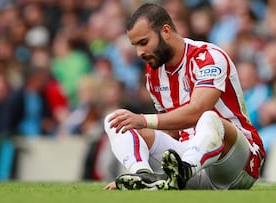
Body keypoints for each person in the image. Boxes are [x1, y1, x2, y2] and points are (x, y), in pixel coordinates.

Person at [103, 3, 265, 190]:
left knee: (209, 118)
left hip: (235, 164)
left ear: (165, 31)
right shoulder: (153, 74)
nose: (139, 53)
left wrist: (142, 120)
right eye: (135, 45)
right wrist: (142, 136)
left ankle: (180, 172)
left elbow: (196, 112)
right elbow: (171, 130)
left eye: (144, 42)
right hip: (192, 161)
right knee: (115, 120)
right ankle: (143, 176)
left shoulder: (209, 57)